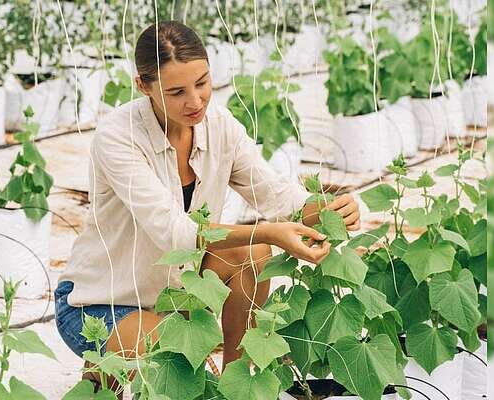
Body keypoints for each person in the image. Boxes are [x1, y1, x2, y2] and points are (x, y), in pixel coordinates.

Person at [54, 20, 360, 395]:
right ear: (143, 86)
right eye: (177, 91)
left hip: (175, 295)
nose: (195, 101)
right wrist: (271, 232)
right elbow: (175, 234)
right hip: (100, 302)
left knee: (253, 254)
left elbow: (277, 197)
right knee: (173, 364)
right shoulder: (118, 138)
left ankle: (235, 384)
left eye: (202, 83)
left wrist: (331, 209)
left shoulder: (220, 125)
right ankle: (106, 369)